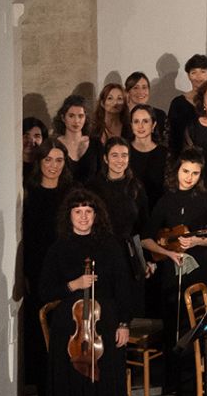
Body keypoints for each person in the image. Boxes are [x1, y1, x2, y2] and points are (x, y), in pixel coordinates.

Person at [40, 188, 133, 396]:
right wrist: (74, 285)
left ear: (96, 215)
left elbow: (124, 287)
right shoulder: (58, 248)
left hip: (104, 328)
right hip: (69, 333)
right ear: (69, 216)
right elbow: (44, 291)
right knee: (72, 391)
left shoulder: (110, 245)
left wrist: (124, 323)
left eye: (88, 212)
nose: (83, 217)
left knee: (104, 389)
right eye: (78, 212)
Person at [141, 149, 207, 396]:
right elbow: (146, 239)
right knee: (175, 327)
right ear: (177, 170)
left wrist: (199, 239)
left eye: (195, 173)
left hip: (203, 270)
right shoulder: (166, 200)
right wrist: (168, 252)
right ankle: (176, 387)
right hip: (173, 271)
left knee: (203, 326)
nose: (189, 177)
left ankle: (204, 386)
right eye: (185, 171)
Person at [20, 139, 71, 396]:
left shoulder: (71, 194)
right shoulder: (27, 193)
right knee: (41, 334)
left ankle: (67, 393)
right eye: (48, 160)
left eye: (59, 160)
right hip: (38, 271)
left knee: (66, 331)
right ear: (39, 162)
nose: (53, 166)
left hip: (66, 270)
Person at [87, 138, 152, 281]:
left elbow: (144, 226)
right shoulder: (93, 187)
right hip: (100, 252)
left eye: (124, 155)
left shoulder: (136, 187)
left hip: (129, 254)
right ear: (105, 158)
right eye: (114, 155)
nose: (119, 160)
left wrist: (146, 259)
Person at [168, 53, 207, 156]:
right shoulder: (178, 103)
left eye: (203, 72)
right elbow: (172, 136)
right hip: (184, 159)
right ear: (188, 76)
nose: (199, 77)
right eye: (194, 72)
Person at [128, 104, 170, 210]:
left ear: (153, 125)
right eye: (136, 121)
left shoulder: (164, 153)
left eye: (145, 121)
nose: (140, 126)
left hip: (158, 210)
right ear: (131, 125)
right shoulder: (124, 151)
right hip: (130, 210)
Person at [54, 93, 101, 182]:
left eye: (80, 116)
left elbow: (101, 176)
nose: (76, 121)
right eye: (71, 116)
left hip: (92, 195)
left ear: (85, 118)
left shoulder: (96, 144)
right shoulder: (54, 144)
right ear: (63, 118)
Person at [124, 71, 168, 147]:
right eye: (136, 88)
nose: (141, 92)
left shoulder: (160, 115)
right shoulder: (122, 116)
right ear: (128, 92)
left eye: (144, 87)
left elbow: (166, 143)